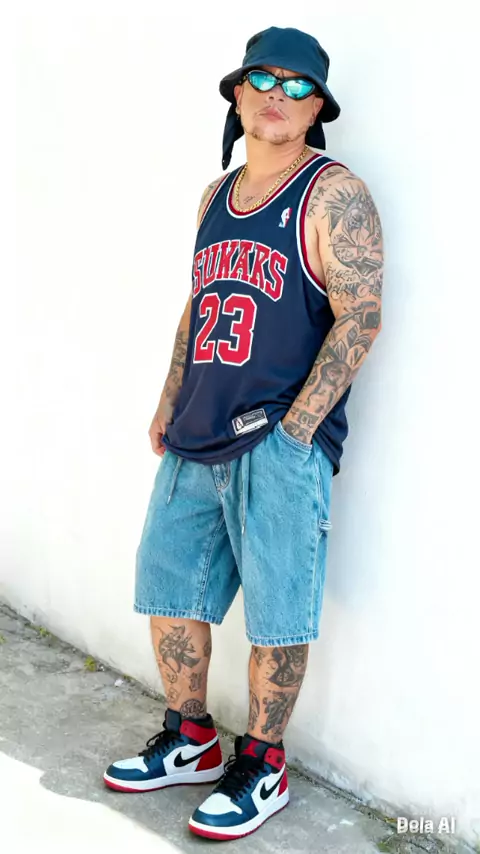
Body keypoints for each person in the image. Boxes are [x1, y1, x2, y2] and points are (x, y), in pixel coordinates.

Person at [104, 25, 383, 840]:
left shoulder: (332, 194)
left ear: (317, 108)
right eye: (263, 78)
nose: (277, 95)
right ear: (236, 91)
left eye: (298, 87)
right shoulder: (214, 196)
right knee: (167, 589)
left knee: (277, 613)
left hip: (277, 439)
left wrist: (298, 431)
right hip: (197, 430)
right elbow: (199, 304)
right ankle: (190, 738)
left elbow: (361, 314)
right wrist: (169, 397)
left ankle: (263, 764)